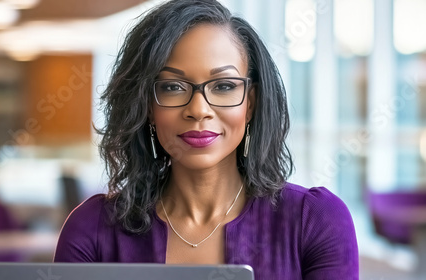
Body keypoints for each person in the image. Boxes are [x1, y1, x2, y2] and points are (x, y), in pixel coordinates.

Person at [54, 0, 359, 279]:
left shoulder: (315, 221)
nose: (198, 110)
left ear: (250, 103)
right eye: (173, 87)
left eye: (224, 86)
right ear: (147, 105)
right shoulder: (92, 230)